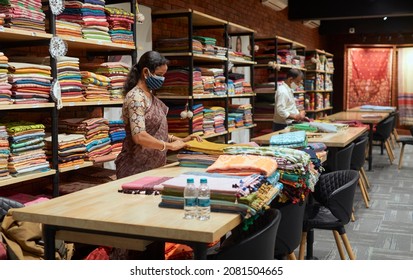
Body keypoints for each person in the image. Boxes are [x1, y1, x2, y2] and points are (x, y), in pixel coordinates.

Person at [115, 51, 202, 179]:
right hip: (135, 169)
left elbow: (154, 133)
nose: (162, 79)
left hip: (154, 168)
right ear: (145, 72)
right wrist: (169, 146)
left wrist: (181, 140)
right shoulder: (136, 98)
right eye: (160, 75)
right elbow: (139, 136)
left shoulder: (150, 96)